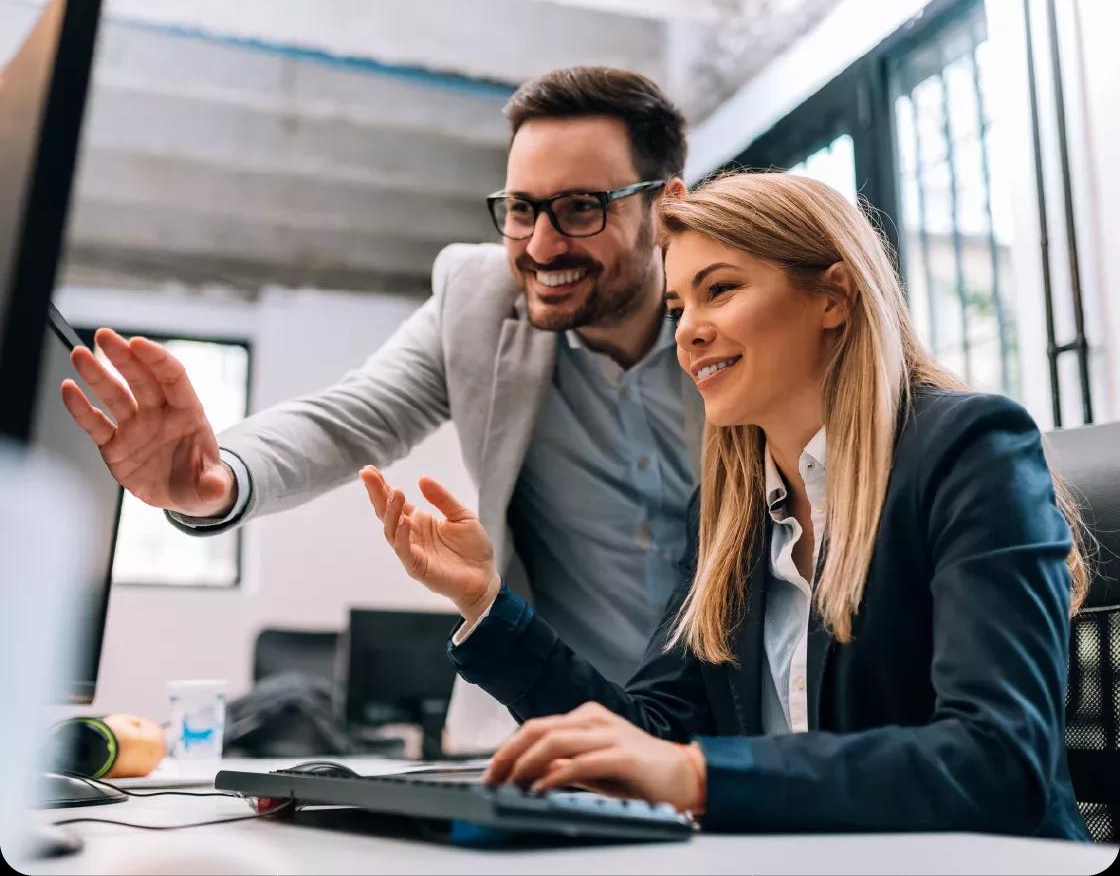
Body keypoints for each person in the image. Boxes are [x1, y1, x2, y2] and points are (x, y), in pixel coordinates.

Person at [360, 171, 1091, 838]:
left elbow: (999, 758)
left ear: (832, 296)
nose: (688, 331)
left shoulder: (970, 451)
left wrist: (700, 777)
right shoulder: (726, 513)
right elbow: (648, 735)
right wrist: (487, 603)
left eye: (721, 290)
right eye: (679, 304)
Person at [58, 66, 703, 750]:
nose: (541, 246)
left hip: (739, 726)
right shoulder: (479, 301)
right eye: (521, 209)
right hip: (555, 728)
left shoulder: (738, 317)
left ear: (664, 207)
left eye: (581, 208)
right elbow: (352, 415)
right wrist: (218, 476)